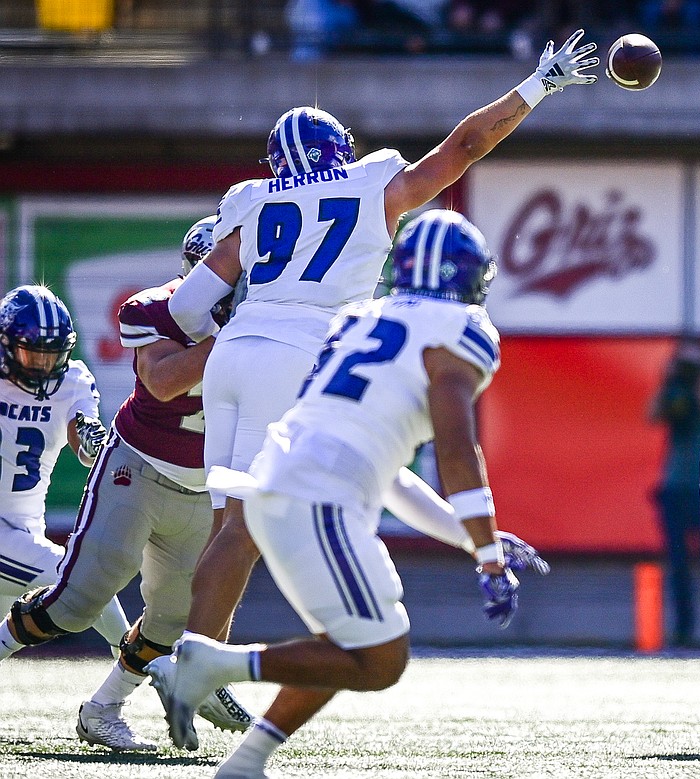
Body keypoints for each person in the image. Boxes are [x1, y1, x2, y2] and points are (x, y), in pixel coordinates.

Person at [165, 32, 596, 676]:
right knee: (255, 522)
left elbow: (186, 309)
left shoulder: (254, 201)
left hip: (233, 354)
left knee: (230, 525)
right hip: (299, 353)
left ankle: (194, 663)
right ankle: (195, 666)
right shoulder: (370, 185)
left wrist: (240, 328)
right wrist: (536, 87)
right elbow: (464, 147)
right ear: (340, 150)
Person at [147, 209, 545, 777]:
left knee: (347, 642)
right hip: (319, 498)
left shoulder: (359, 318)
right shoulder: (463, 330)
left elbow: (392, 476)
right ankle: (211, 663)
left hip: (282, 484)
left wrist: (475, 538)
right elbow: (458, 449)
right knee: (381, 657)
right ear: (471, 277)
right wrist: (486, 558)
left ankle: (247, 759)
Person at [0, 221, 255, 751]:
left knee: (168, 619)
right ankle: (173, 675)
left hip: (198, 486)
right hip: (138, 468)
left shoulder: (265, 323)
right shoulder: (154, 310)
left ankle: (106, 708)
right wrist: (234, 337)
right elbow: (162, 383)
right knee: (76, 600)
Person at [0, 286, 129, 659]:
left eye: (50, 356)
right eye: (31, 354)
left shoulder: (71, 380)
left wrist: (89, 436)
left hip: (24, 530)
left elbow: (84, 443)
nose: (41, 366)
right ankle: (146, 667)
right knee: (83, 584)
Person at [648, 335, 700, 647]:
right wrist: (671, 377)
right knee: (678, 566)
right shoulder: (674, 392)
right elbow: (654, 412)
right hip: (675, 489)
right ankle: (683, 631)